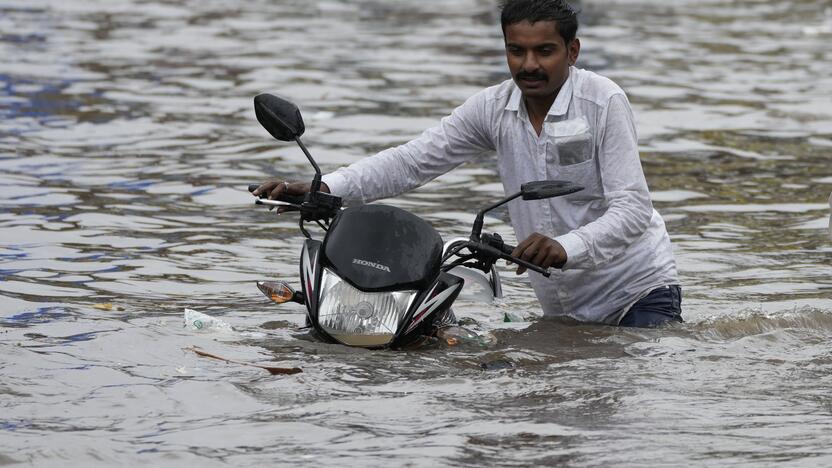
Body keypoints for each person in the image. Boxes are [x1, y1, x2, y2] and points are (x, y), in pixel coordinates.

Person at [254, 0, 682, 327]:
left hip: (635, 292)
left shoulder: (603, 101)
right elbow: (414, 160)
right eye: (516, 51)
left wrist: (566, 245)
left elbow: (633, 209)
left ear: (572, 51)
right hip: (560, 302)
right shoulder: (494, 107)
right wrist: (326, 188)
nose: (528, 65)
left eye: (544, 52)